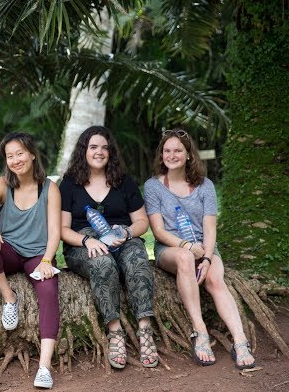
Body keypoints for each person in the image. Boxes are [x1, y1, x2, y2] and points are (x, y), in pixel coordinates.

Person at [143, 128, 256, 369]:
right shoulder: (153, 186)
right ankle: (200, 331)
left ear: (188, 155)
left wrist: (206, 258)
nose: (171, 155)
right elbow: (159, 231)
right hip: (171, 249)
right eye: (167, 151)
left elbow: (210, 228)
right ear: (161, 155)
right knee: (185, 257)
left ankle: (240, 340)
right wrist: (186, 246)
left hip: (205, 247)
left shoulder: (205, 186)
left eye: (177, 151)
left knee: (215, 281)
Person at [60, 125, 158, 370]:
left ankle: (145, 329)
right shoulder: (70, 184)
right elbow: (62, 229)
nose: (99, 152)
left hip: (121, 237)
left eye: (105, 147)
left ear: (111, 152)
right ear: (84, 150)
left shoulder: (124, 182)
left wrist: (126, 232)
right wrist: (87, 241)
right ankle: (115, 331)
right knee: (102, 263)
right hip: (83, 242)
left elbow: (142, 223)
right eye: (93, 147)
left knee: (138, 260)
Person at [0, 131, 61, 389]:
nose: (15, 160)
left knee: (48, 291)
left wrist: (47, 260)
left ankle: (44, 367)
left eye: (20, 153)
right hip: (8, 251)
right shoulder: (1, 185)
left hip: (37, 255)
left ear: (32, 154)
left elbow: (55, 231)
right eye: (10, 156)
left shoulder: (50, 188)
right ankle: (9, 297)